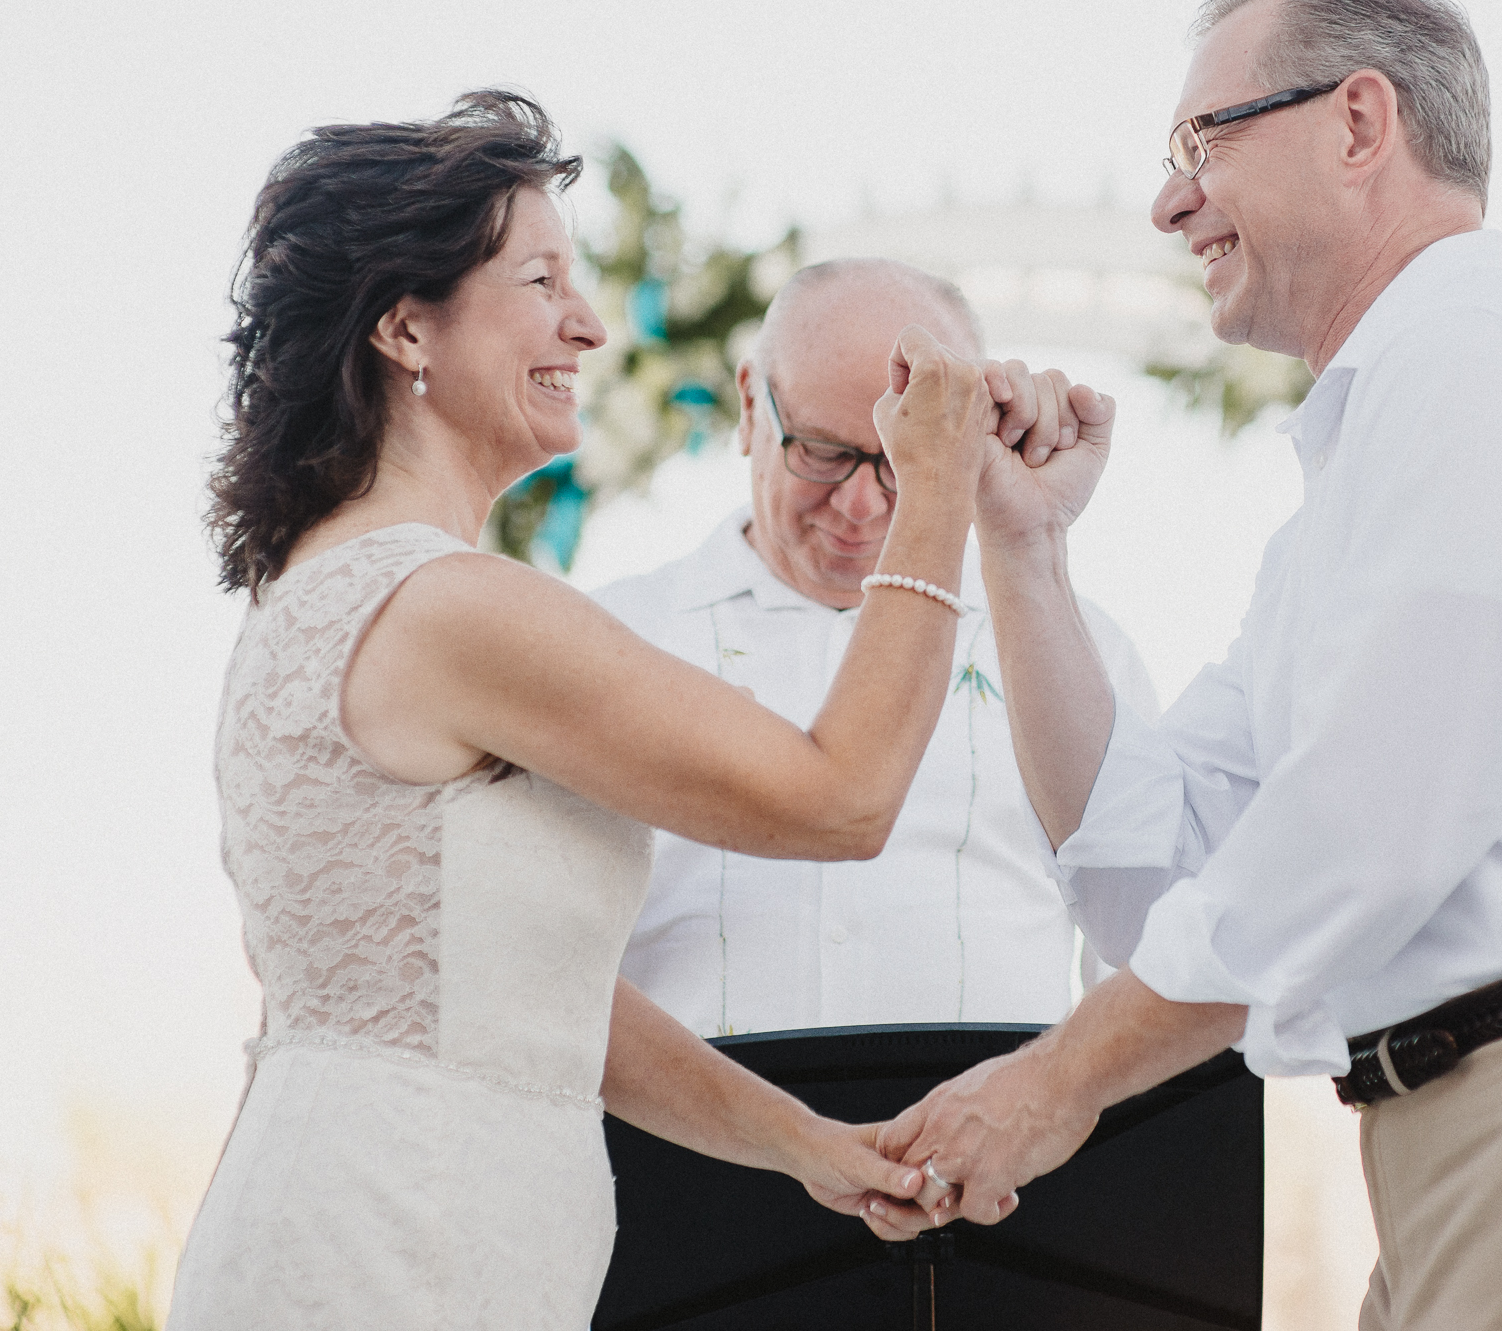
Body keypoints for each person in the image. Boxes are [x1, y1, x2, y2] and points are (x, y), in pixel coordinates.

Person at [877, 0, 1502, 1327]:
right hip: (1498, 1126)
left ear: (1360, 122)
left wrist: (1052, 1087)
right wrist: (1023, 547)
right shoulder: (1352, 495)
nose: (1167, 202)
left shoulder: (1481, 367)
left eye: (1200, 141)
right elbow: (1155, 874)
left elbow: (1364, 830)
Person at [173, 92, 964, 1329]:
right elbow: (843, 796)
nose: (589, 327)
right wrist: (937, 485)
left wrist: (807, 1143)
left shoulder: (332, 585)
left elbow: (529, 995)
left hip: (385, 1223)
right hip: (399, 1245)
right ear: (402, 325)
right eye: (541, 280)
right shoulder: (453, 608)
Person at [594, 259, 1157, 1036]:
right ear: (751, 403)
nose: (860, 505)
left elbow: (1147, 961)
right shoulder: (614, 636)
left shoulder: (1079, 648)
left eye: (902, 463)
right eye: (822, 452)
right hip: (676, 1153)